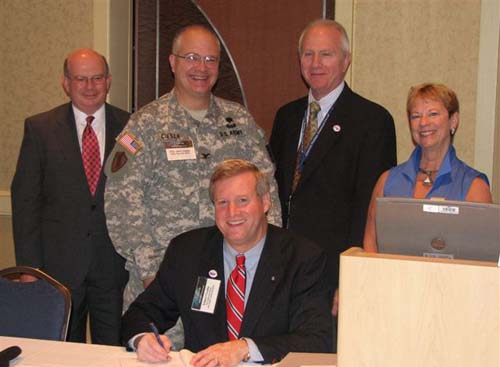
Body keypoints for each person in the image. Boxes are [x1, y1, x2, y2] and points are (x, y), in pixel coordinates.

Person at [104, 24, 281, 326]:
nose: (202, 67)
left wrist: (268, 264)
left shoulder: (238, 120)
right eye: (192, 57)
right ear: (173, 62)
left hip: (230, 282)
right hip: (162, 283)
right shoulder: (144, 124)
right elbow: (122, 205)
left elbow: (268, 196)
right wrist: (152, 273)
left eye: (210, 59)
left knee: (219, 363)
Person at [121, 159, 332, 367]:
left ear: (265, 202)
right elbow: (141, 313)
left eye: (242, 200)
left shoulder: (302, 258)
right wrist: (142, 339)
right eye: (222, 202)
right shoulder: (188, 252)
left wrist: (244, 348)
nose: (232, 213)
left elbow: (316, 340)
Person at [270, 19, 397, 323]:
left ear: (346, 61)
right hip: (282, 269)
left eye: (326, 54)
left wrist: (351, 277)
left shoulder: (372, 121)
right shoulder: (286, 117)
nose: (315, 64)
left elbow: (370, 210)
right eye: (308, 54)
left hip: (332, 273)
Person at [11, 49, 129, 345]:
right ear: (66, 83)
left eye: (97, 78)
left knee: (113, 352)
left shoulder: (131, 127)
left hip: (114, 269)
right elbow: (25, 202)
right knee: (63, 351)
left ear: (108, 80)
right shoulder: (40, 129)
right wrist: (30, 269)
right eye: (81, 79)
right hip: (58, 270)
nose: (90, 87)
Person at [363, 83, 492, 252]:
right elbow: (371, 245)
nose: (423, 122)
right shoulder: (387, 182)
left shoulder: (474, 187)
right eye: (416, 116)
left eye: (433, 114)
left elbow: (483, 256)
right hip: (393, 278)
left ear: (453, 120)